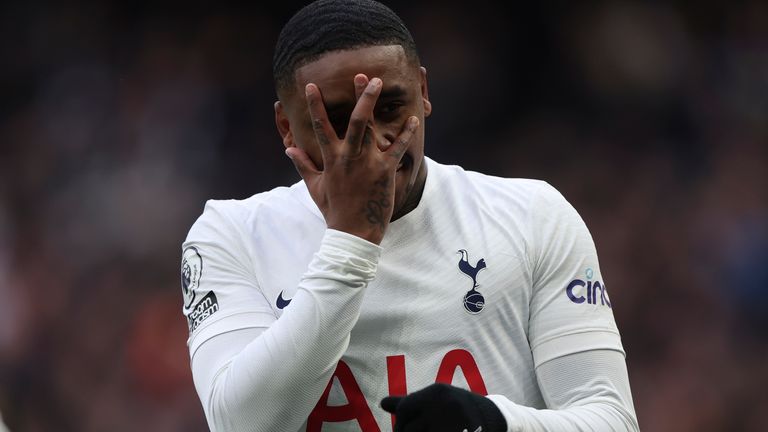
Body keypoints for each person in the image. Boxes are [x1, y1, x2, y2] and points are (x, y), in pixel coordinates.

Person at [180, 0, 639, 430]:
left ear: (423, 92)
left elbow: (612, 419)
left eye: (391, 107)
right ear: (286, 127)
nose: (372, 140)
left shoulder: (534, 217)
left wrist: (495, 422)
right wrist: (350, 242)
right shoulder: (231, 235)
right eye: (337, 121)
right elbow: (240, 422)